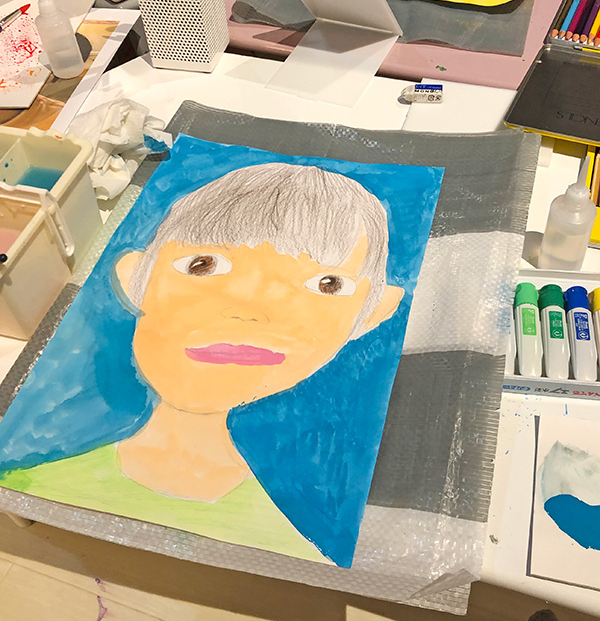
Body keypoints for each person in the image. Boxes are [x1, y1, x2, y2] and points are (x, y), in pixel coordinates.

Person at [0, 163, 403, 512]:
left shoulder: (292, 530)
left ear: (373, 313)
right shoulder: (34, 482)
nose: (250, 308)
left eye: (328, 284)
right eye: (203, 265)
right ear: (135, 277)